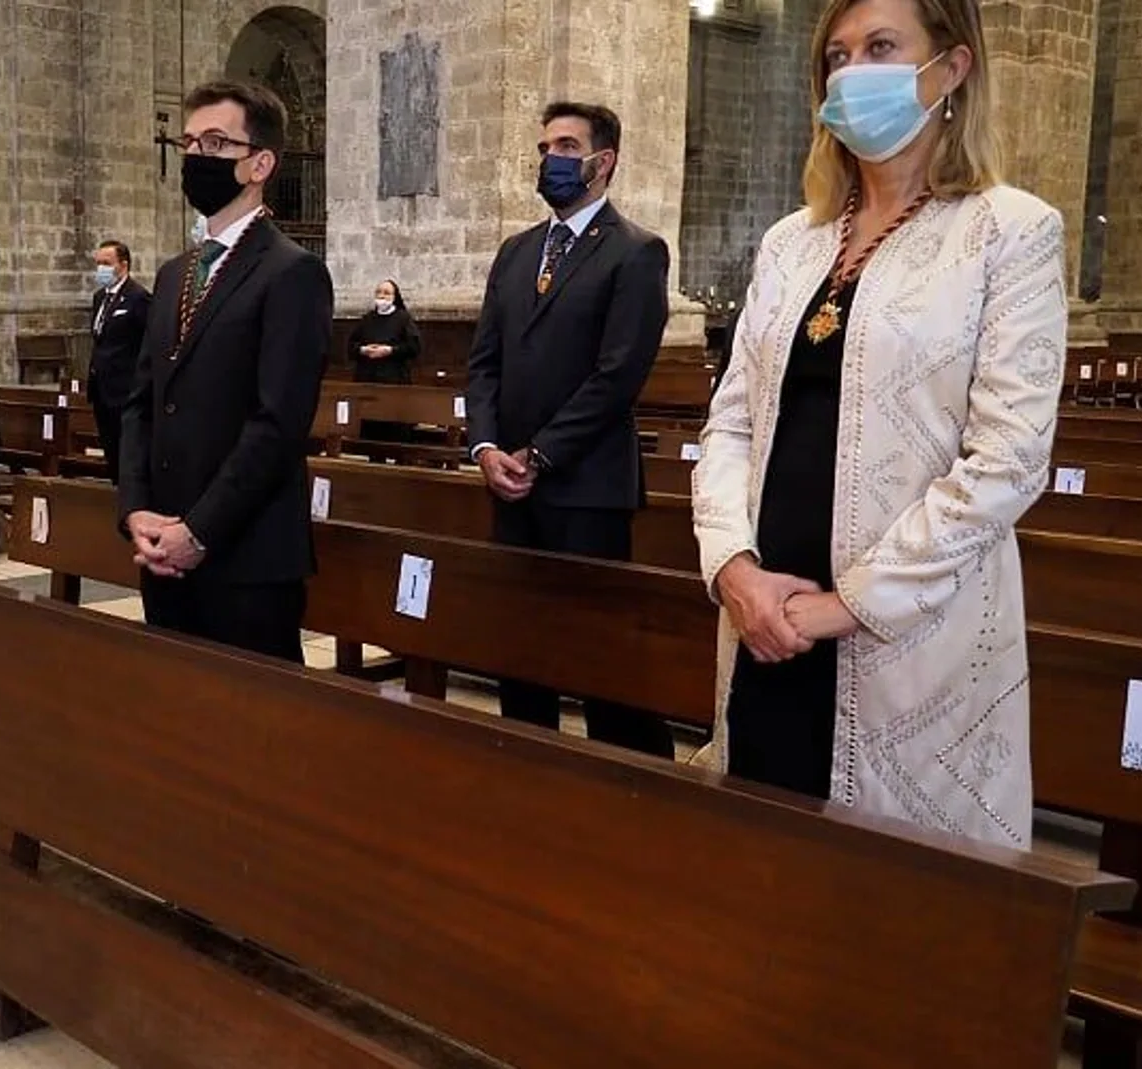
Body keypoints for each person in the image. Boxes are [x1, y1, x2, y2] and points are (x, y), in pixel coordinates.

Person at [691, 0, 1066, 848]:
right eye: (837, 55)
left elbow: (1008, 459)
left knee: (892, 906)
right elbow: (731, 425)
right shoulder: (791, 244)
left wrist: (844, 607)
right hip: (764, 623)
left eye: (882, 47)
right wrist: (735, 571)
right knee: (761, 869)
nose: (853, 72)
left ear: (953, 68)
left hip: (910, 640)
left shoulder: (1009, 233)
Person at [464, 101, 674, 757]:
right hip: (511, 486)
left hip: (586, 486)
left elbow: (617, 376)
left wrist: (541, 454)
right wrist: (488, 445)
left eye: (563, 145)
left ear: (601, 161)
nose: (548, 158)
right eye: (544, 146)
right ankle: (528, 766)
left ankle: (630, 776)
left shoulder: (635, 253)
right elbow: (485, 361)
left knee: (593, 652)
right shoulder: (517, 250)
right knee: (522, 647)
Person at [118, 80, 334, 663]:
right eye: (189, 142)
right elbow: (142, 402)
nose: (196, 157)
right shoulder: (172, 274)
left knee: (255, 738)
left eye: (215, 143)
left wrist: (200, 530)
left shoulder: (292, 273)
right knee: (177, 724)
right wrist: (136, 508)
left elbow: (278, 424)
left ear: (260, 162)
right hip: (163, 545)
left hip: (247, 552)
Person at [87, 239, 150, 483]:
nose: (101, 268)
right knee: (109, 445)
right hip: (101, 388)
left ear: (123, 265)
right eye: (98, 263)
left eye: (106, 263)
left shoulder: (137, 297)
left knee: (126, 450)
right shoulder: (99, 298)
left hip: (124, 388)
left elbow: (148, 342)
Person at [346, 279, 421, 385]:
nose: (381, 296)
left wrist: (390, 350)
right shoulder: (367, 319)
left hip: (394, 377)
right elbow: (351, 345)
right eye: (378, 292)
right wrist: (363, 350)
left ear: (394, 297)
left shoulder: (403, 319)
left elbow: (414, 347)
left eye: (387, 293)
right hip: (366, 376)